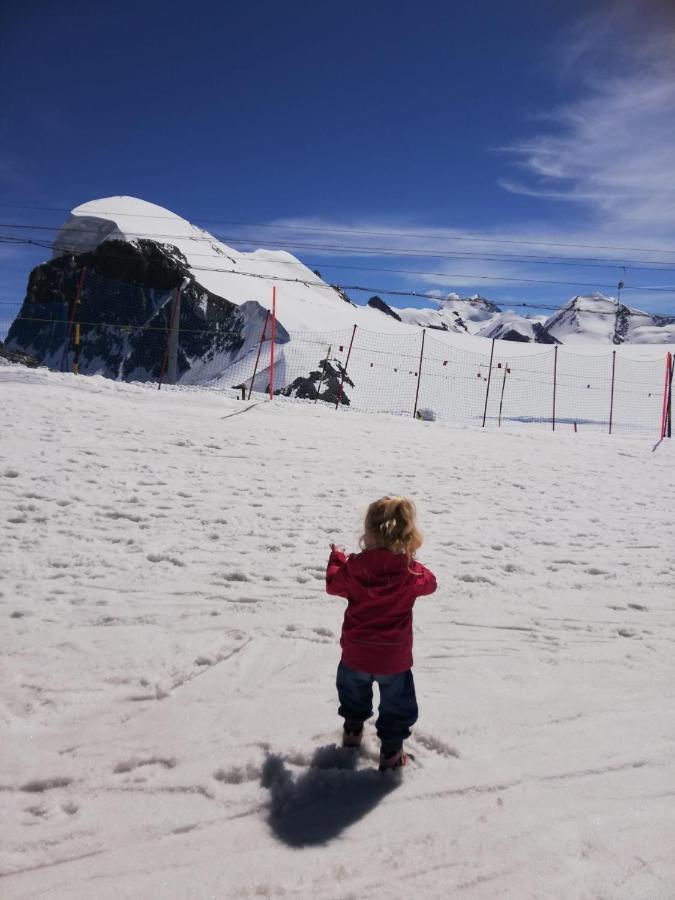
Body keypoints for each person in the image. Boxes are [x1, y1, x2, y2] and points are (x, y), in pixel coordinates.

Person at [325, 496, 437, 771]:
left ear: (369, 531)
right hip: (393, 660)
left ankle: (352, 733)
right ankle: (391, 754)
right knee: (397, 707)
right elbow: (431, 583)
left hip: (356, 654)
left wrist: (336, 559)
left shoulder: (354, 567)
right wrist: (412, 563)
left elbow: (333, 585)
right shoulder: (409, 573)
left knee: (353, 697)